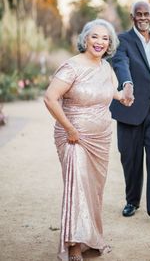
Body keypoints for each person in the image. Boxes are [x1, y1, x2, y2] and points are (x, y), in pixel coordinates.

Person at [44, 19, 127, 261]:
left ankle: (92, 238)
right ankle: (73, 246)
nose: (100, 42)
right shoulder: (71, 67)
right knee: (77, 188)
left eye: (105, 38)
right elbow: (50, 98)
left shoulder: (105, 67)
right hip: (74, 138)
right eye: (95, 37)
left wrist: (122, 97)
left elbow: (109, 91)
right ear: (85, 39)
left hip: (101, 139)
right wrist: (69, 128)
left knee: (93, 191)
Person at [110, 1, 150, 227]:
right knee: (131, 158)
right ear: (132, 16)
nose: (143, 17)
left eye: (146, 14)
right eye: (139, 14)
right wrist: (126, 83)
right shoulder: (122, 40)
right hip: (130, 107)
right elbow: (120, 63)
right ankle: (132, 201)